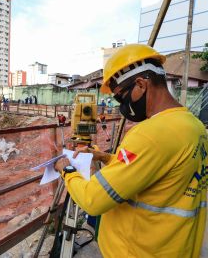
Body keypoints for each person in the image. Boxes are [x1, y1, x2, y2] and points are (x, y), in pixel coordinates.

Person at [54, 44, 207, 257]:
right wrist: (106, 157)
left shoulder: (150, 134)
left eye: (120, 97)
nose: (121, 105)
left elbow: (93, 200)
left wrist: (66, 170)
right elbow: (155, 168)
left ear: (141, 84)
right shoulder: (194, 126)